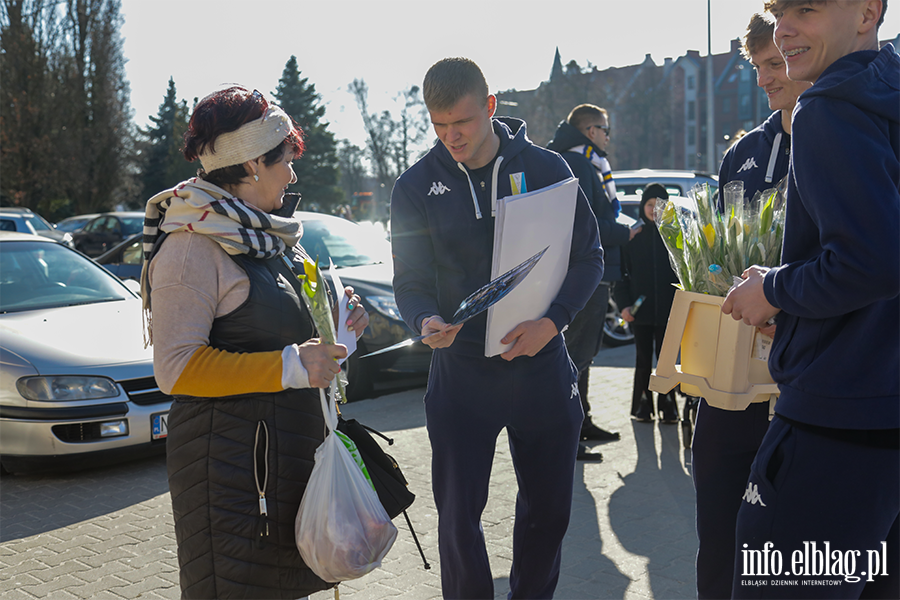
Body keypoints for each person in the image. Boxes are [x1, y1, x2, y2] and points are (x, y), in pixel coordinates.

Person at [140, 86, 369, 600]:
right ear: (249, 167)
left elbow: (282, 336)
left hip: (281, 467)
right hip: (233, 481)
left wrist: (338, 327)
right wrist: (292, 365)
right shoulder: (190, 247)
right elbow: (175, 368)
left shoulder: (267, 237)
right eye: (285, 159)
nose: (292, 173)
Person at [390, 57, 603, 600]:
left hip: (541, 367)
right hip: (461, 377)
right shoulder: (415, 186)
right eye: (438, 126)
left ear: (489, 106)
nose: (450, 137)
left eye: (460, 122)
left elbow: (589, 259)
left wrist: (553, 322)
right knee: (459, 520)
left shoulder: (550, 169)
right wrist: (423, 320)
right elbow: (409, 280)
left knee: (550, 513)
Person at [723, 1, 900, 597]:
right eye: (779, 12)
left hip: (834, 428)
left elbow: (870, 262)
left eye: (807, 7)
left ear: (867, 11)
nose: (786, 29)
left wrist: (772, 290)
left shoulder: (825, 108)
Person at [691, 13, 811, 600]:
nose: (769, 77)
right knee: (719, 534)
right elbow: (714, 260)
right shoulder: (744, 152)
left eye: (776, 62)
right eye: (759, 65)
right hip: (733, 379)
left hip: (810, 380)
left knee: (801, 552)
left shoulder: (847, 136)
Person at [547, 104, 636, 459]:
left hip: (582, 272)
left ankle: (580, 422)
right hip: (585, 273)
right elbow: (590, 225)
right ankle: (565, 434)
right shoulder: (581, 163)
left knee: (583, 355)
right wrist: (629, 231)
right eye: (605, 130)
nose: (607, 137)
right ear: (590, 131)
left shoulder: (578, 160)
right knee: (577, 356)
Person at [614, 183, 680, 423]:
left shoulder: (676, 238)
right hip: (639, 311)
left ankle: (669, 404)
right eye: (650, 204)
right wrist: (624, 306)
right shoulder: (632, 237)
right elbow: (621, 276)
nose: (654, 209)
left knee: (666, 361)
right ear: (642, 207)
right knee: (643, 359)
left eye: (660, 205)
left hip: (669, 312)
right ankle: (643, 403)